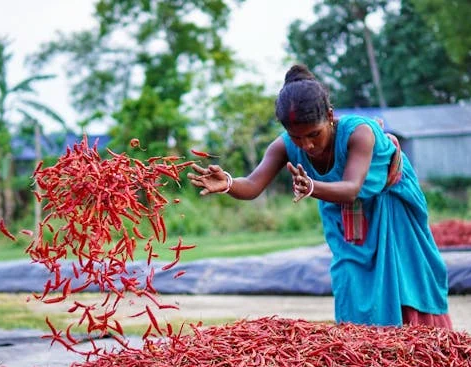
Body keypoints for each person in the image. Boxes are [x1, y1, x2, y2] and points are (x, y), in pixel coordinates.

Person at [188, 64, 451, 329]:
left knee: (402, 276)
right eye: (297, 137)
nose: (307, 145)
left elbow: (351, 187)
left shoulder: (360, 133)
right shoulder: (284, 145)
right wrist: (228, 183)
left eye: (314, 134)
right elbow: (254, 185)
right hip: (341, 211)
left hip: (391, 204)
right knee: (349, 276)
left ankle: (415, 351)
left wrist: (312, 187)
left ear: (329, 116)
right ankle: (365, 355)